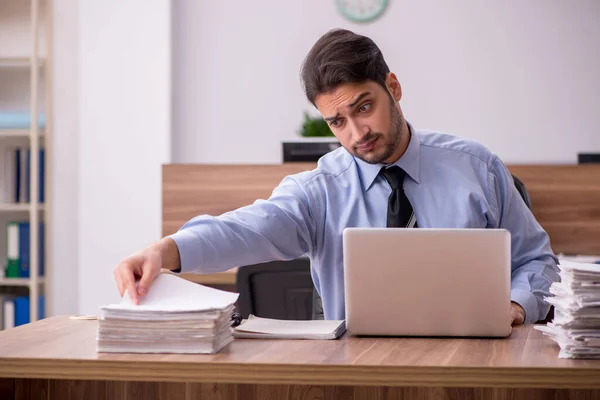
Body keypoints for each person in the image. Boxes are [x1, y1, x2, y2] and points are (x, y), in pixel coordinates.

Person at [113, 28, 559, 325]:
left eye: (364, 107)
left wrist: (518, 305)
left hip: (472, 364)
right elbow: (245, 228)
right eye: (336, 122)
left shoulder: (478, 169)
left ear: (394, 88)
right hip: (355, 369)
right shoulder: (319, 191)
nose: (356, 133)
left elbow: (538, 261)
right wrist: (166, 249)